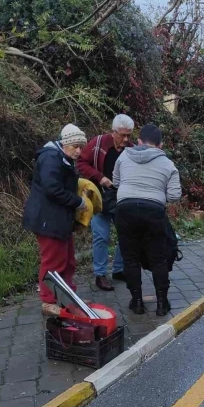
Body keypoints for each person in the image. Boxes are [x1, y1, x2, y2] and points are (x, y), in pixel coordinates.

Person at [114, 124, 182, 316]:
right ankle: (161, 304)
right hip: (153, 211)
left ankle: (137, 303)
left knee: (130, 258)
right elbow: (175, 195)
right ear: (160, 145)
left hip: (125, 209)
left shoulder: (124, 156)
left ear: (139, 141)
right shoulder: (168, 164)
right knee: (158, 259)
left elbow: (116, 182)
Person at [23, 124, 88, 316]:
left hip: (60, 220)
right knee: (53, 262)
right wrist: (78, 202)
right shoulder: (51, 158)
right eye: (75, 146)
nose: (78, 151)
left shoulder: (63, 158)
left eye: (81, 147)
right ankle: (48, 302)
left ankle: (68, 298)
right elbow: (52, 189)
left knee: (68, 261)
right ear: (65, 143)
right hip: (47, 220)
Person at [77, 114, 135, 292]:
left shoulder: (132, 150)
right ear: (113, 132)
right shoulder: (98, 143)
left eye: (129, 135)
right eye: (122, 135)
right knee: (101, 237)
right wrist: (99, 177)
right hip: (99, 199)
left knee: (126, 235)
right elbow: (80, 163)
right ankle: (100, 274)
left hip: (122, 200)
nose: (126, 139)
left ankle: (119, 269)